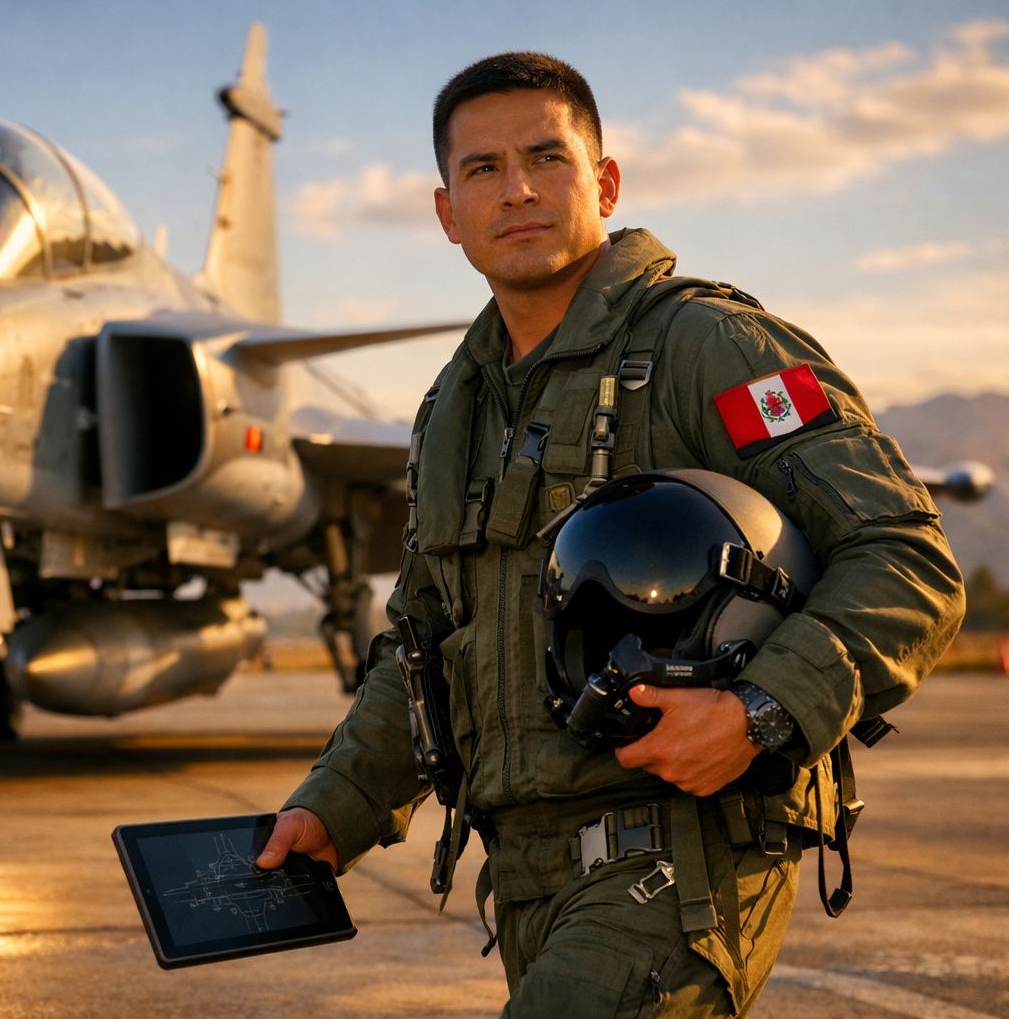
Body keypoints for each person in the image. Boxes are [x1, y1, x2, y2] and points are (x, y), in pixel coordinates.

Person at [256, 52, 964, 1016]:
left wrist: (759, 713)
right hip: (526, 879)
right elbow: (421, 647)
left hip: (682, 859)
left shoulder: (707, 346)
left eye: (547, 158)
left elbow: (906, 560)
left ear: (606, 181)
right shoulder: (451, 411)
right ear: (445, 214)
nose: (517, 190)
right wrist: (333, 805)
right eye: (482, 170)